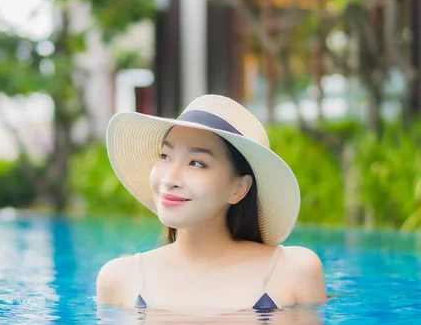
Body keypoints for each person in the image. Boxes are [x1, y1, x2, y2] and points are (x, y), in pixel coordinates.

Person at [97, 94, 327, 312]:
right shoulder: (119, 279)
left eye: (197, 163)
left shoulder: (293, 270)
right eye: (165, 156)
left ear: (238, 189)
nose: (169, 179)